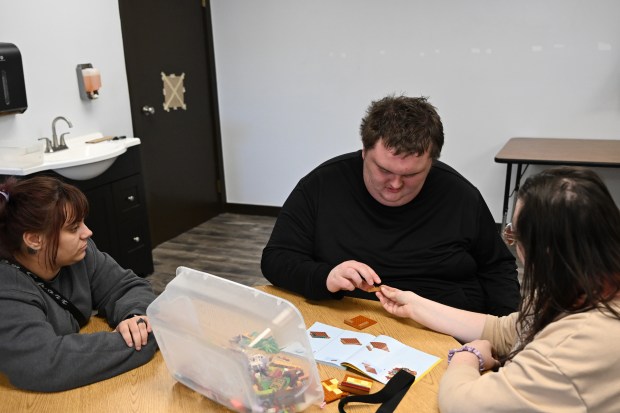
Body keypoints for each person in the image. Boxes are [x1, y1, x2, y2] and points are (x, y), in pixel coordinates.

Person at [377, 166, 620, 412]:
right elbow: (510, 331)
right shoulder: (583, 281)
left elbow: (462, 404)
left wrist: (467, 357)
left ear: (541, 251)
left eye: (513, 235)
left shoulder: (572, 349)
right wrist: (414, 304)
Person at [261, 94, 520, 316]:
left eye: (411, 175)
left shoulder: (460, 195)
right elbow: (276, 259)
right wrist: (325, 276)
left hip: (440, 319)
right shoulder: (322, 185)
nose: (395, 184)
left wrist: (504, 335)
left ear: (431, 163)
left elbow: (497, 268)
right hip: (348, 316)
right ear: (364, 151)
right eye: (384, 170)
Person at [0, 176, 157, 392]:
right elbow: (44, 363)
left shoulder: (80, 254)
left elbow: (127, 286)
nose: (87, 233)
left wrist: (135, 318)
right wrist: (142, 338)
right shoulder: (7, 288)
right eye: (74, 228)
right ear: (34, 240)